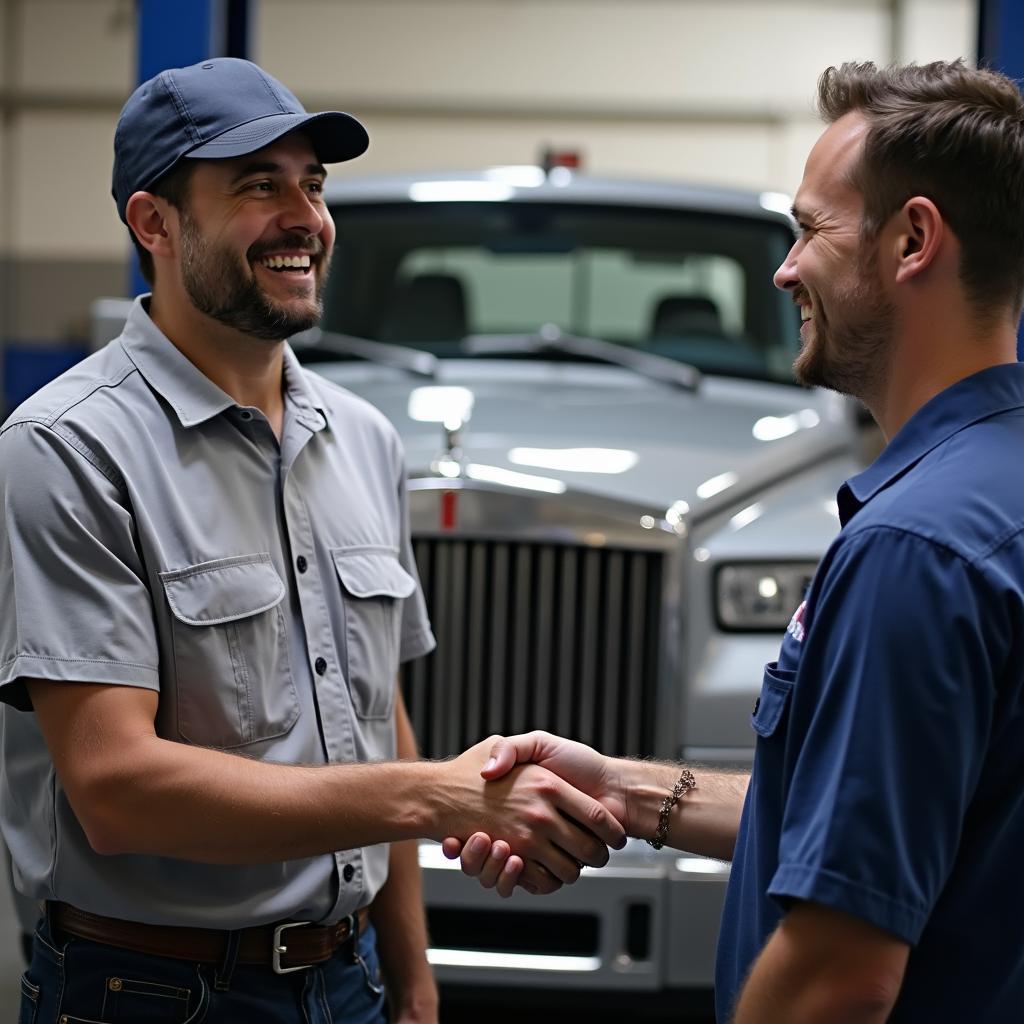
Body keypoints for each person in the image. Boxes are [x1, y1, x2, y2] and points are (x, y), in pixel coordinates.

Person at [0, 57, 625, 1024]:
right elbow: (116, 789)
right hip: (149, 992)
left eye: (314, 184)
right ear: (153, 224)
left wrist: (413, 975)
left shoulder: (363, 439)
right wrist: (444, 798)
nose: (307, 219)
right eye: (259, 186)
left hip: (350, 976)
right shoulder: (69, 450)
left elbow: (379, 713)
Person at [449, 59, 1024, 1023]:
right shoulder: (992, 496)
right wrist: (625, 791)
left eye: (809, 230)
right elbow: (882, 816)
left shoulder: (913, 550)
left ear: (913, 240)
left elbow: (838, 973)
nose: (786, 268)